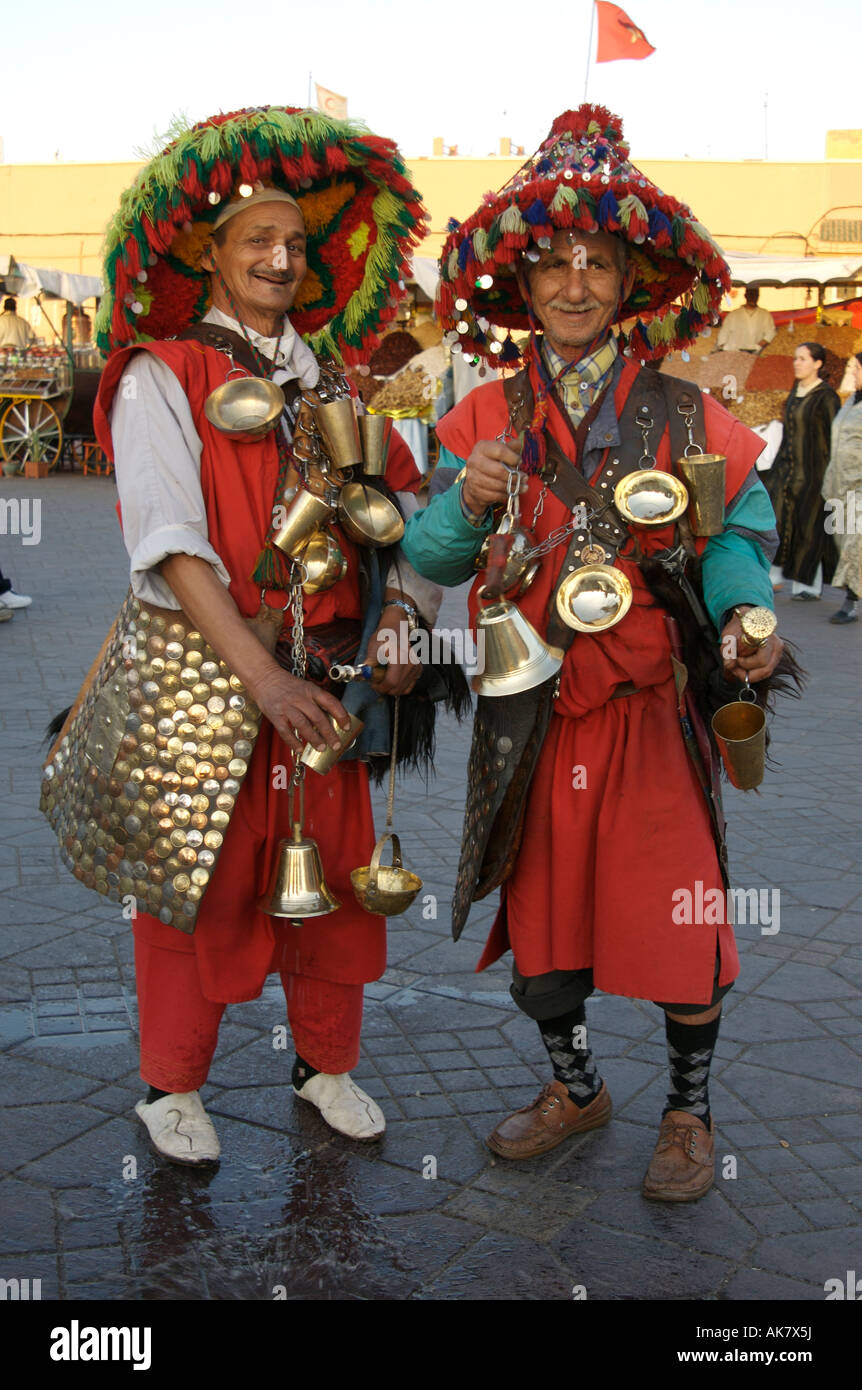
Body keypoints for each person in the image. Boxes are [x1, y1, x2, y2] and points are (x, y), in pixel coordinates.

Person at [402, 104, 786, 1202]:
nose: (574, 285)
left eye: (597, 264)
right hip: (533, 706)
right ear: (521, 287)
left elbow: (736, 540)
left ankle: (687, 1111)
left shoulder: (684, 411)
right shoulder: (479, 409)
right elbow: (429, 549)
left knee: (682, 917)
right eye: (554, 266)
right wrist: (465, 504)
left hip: (651, 711)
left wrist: (745, 623)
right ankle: (573, 1085)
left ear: (629, 281)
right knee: (545, 924)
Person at [76, 106, 439, 1164]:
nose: (282, 260)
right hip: (205, 675)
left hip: (326, 678)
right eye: (256, 243)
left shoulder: (337, 382)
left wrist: (408, 618)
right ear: (210, 253)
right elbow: (170, 542)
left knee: (332, 878)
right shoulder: (162, 372)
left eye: (294, 243)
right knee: (198, 880)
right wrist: (260, 679)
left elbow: (407, 519)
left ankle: (324, 1061)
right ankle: (170, 1085)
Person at [765, 342, 840, 600]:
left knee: (809, 527)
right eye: (795, 358)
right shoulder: (795, 392)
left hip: (814, 472)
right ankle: (773, 576)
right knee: (778, 520)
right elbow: (788, 433)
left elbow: (833, 437)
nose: (797, 363)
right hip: (786, 469)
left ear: (818, 364)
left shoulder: (826, 397)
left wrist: (831, 476)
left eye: (803, 359)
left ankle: (807, 585)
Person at [821, 352, 862, 623]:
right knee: (842, 538)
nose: (852, 373)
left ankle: (850, 601)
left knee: (854, 542)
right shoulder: (850, 402)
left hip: (859, 485)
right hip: (838, 485)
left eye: (857, 368)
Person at [715, 286, 775, 353]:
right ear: (745, 296)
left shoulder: (765, 315)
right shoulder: (733, 315)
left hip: (753, 353)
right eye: (750, 295)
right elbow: (723, 334)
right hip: (734, 352)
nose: (752, 298)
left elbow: (770, 333)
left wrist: (757, 346)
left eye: (755, 295)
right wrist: (725, 348)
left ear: (758, 296)